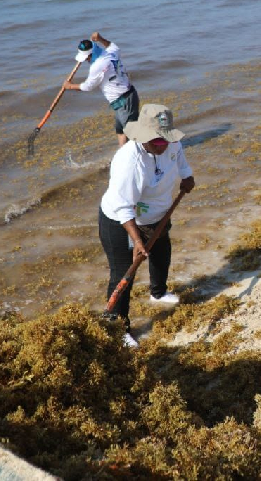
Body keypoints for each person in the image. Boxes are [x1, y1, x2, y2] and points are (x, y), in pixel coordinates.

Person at [99, 104, 195, 348]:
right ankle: (118, 327)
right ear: (142, 136)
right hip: (120, 220)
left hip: (157, 214)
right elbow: (123, 207)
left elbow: (179, 159)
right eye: (157, 140)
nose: (163, 144)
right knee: (123, 272)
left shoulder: (171, 144)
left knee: (162, 252)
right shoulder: (128, 161)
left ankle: (158, 293)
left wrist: (187, 176)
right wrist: (137, 241)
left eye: (166, 139)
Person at [64, 33, 139, 147]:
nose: (87, 60)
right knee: (120, 131)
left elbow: (88, 86)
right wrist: (101, 39)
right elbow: (113, 46)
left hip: (124, 101)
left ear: (91, 54)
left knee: (131, 134)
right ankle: (122, 154)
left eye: (87, 57)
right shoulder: (110, 52)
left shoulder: (98, 65)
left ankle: (144, 154)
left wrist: (70, 86)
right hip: (122, 99)